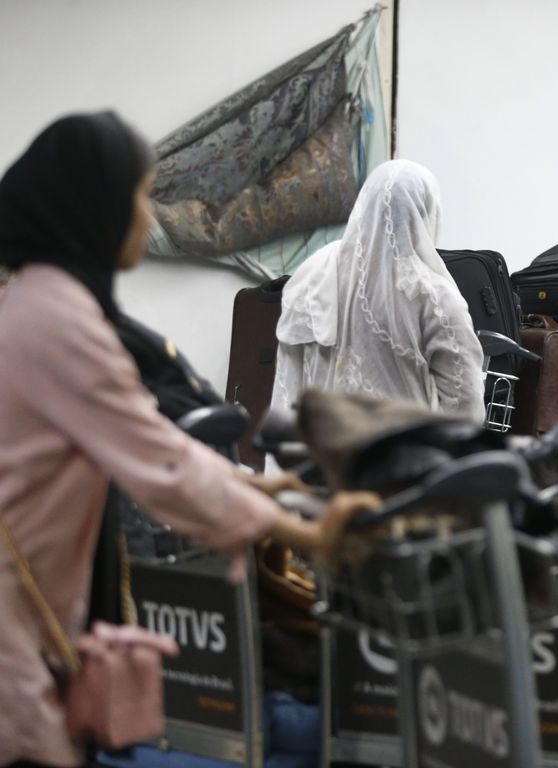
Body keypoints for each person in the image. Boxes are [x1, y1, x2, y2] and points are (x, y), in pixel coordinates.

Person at [0, 111, 377, 768]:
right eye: (139, 196)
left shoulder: (38, 301)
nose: (148, 218)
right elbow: (163, 464)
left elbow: (152, 444)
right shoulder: (59, 321)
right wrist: (307, 535)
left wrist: (266, 489)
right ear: (93, 206)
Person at [272, 159, 485, 422]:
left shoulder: (315, 273)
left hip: (322, 452)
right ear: (426, 213)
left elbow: (290, 379)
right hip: (399, 458)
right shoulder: (432, 296)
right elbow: (466, 406)